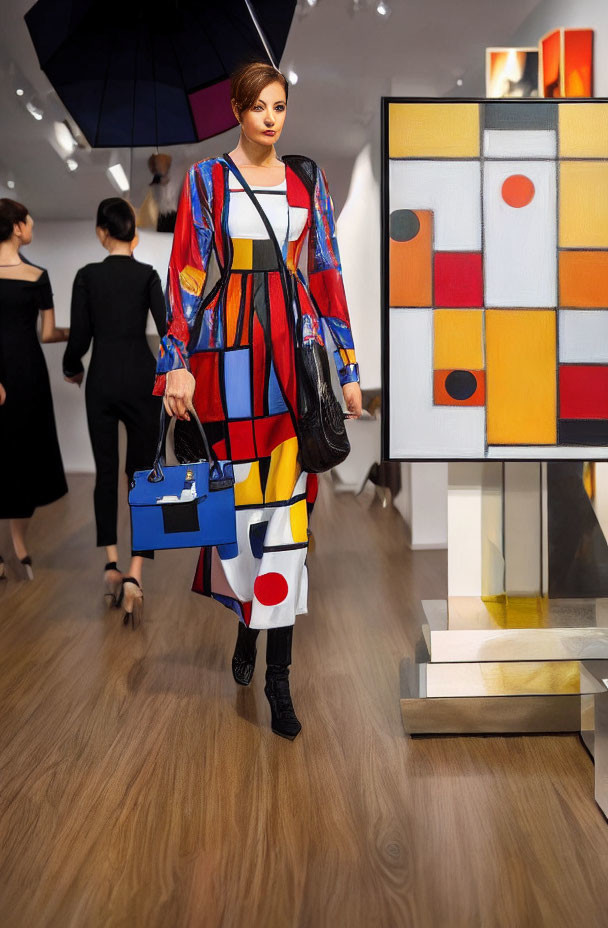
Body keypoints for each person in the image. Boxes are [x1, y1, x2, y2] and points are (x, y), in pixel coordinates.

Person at [154, 62, 362, 739]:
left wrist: (349, 365)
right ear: (238, 110)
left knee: (292, 516)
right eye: (259, 106)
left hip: (293, 362)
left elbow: (325, 271)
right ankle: (249, 623)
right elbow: (185, 273)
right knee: (241, 514)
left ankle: (279, 676)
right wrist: (175, 363)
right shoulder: (208, 181)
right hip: (229, 362)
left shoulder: (306, 183)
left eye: (280, 105)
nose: (271, 117)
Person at [63, 198, 166, 625]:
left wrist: (72, 367)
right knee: (141, 477)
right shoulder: (147, 275)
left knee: (106, 473)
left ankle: (111, 565)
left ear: (103, 232)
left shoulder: (87, 277)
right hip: (143, 381)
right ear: (133, 235)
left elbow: (80, 339)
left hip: (102, 379)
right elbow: (166, 331)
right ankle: (136, 576)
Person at [0, 198, 68, 580]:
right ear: (16, 227)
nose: (32, 227)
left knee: (23, 455)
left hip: (28, 374)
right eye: (29, 222)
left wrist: (83, 333)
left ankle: (20, 546)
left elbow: (46, 333)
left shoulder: (38, 274)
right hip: (8, 371)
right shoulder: (37, 275)